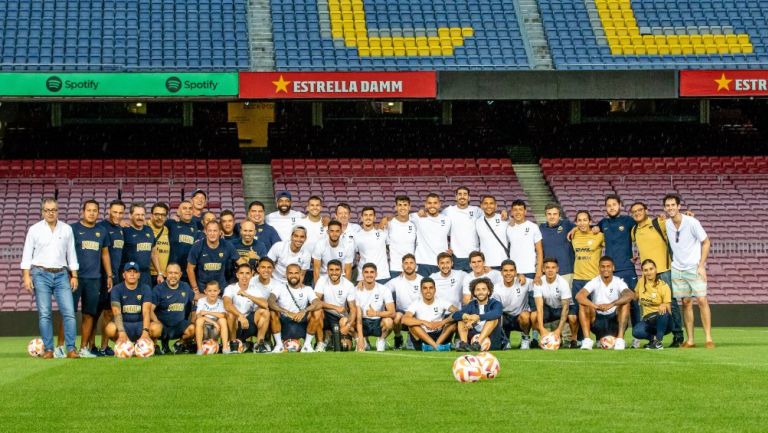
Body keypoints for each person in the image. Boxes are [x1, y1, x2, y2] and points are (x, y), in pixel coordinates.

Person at [21, 198, 80, 359]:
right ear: (42, 212)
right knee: (45, 313)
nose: (50, 213)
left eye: (53, 210)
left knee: (69, 313)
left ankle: (71, 349)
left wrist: (74, 275)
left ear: (58, 211)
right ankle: (48, 349)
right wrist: (26, 276)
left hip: (62, 274)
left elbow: (71, 254)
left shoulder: (66, 229)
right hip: (40, 274)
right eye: (47, 210)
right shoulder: (34, 230)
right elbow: (27, 253)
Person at [629, 201, 685, 347]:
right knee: (644, 302)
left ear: (646, 210)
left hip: (664, 270)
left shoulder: (658, 223)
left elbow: (677, 226)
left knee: (671, 304)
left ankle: (678, 336)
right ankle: (654, 337)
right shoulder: (634, 230)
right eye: (634, 211)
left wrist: (686, 216)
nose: (637, 213)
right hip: (646, 273)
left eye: (639, 210)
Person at [664, 193, 713, 348]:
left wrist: (701, 265)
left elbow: (706, 242)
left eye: (673, 205)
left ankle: (708, 338)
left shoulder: (692, 222)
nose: (670, 208)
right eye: (667, 205)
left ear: (679, 206)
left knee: (702, 300)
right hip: (677, 268)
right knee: (685, 302)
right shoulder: (666, 224)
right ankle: (690, 340)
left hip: (694, 267)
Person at [65, 199, 111, 358]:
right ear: (82, 212)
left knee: (89, 314)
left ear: (98, 213)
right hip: (75, 278)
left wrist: (109, 275)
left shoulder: (102, 231)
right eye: (89, 210)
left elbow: (105, 254)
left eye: (95, 210)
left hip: (94, 279)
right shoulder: (72, 229)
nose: (92, 213)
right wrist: (69, 273)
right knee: (68, 313)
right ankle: (60, 347)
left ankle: (84, 348)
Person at [597, 194, 641, 347]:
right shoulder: (603, 223)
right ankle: (606, 336)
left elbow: (643, 231)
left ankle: (637, 336)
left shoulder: (628, 221)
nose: (611, 208)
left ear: (620, 205)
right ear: (606, 208)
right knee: (609, 304)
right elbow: (592, 230)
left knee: (633, 303)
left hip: (627, 269)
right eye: (608, 205)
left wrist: (640, 253)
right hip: (610, 272)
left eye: (614, 205)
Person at [575, 256, 633, 350]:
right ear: (599, 268)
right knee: (583, 304)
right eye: (603, 266)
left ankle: (620, 340)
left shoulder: (618, 281)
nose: (605, 269)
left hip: (615, 322)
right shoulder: (594, 281)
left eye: (608, 266)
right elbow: (579, 296)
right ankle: (587, 340)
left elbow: (630, 295)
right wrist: (595, 306)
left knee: (626, 303)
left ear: (613, 268)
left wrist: (611, 305)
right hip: (598, 322)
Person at [93, 199, 126, 356]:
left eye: (120, 213)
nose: (117, 216)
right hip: (100, 278)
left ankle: (104, 346)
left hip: (115, 278)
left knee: (108, 313)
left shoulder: (120, 230)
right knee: (95, 313)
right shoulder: (101, 228)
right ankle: (90, 345)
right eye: (115, 212)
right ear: (108, 211)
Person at [268, 263, 323, 352]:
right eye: (290, 273)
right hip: (284, 322)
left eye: (296, 273)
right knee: (272, 311)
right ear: (286, 274)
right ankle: (279, 346)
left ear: (300, 274)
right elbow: (270, 301)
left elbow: (318, 303)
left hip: (301, 321)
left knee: (317, 311)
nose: (293, 275)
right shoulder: (279, 287)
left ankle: (307, 346)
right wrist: (286, 312)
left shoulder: (307, 289)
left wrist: (304, 311)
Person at [105, 262, 162, 346]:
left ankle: (150, 344)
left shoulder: (145, 288)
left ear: (139, 275)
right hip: (125, 324)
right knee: (110, 329)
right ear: (124, 275)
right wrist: (121, 331)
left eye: (135, 272)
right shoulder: (116, 289)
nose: (132, 274)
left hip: (140, 324)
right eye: (129, 271)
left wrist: (145, 331)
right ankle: (123, 344)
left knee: (157, 328)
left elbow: (146, 312)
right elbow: (116, 312)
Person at [531, 258, 579, 349]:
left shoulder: (563, 283)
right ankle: (543, 336)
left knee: (572, 318)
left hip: (562, 308)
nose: (550, 270)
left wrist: (558, 330)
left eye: (553, 267)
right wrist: (541, 329)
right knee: (533, 316)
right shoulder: (539, 282)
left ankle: (573, 339)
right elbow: (540, 308)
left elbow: (565, 309)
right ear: (543, 269)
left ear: (557, 269)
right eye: (547, 267)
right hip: (549, 308)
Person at [223, 263, 271, 352]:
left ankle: (259, 344)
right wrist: (240, 316)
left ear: (251, 274)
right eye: (241, 273)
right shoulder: (230, 288)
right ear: (237, 275)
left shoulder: (254, 288)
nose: (244, 276)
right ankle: (233, 344)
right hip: (235, 324)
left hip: (249, 323)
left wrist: (248, 295)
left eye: (247, 273)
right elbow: (227, 305)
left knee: (265, 312)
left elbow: (265, 304)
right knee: (230, 314)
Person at [151, 263, 195, 354]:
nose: (173, 276)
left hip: (179, 325)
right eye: (170, 273)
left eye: (176, 273)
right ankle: (156, 346)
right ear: (166, 274)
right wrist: (156, 322)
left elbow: (194, 306)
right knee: (155, 328)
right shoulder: (158, 289)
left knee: (194, 328)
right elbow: (149, 310)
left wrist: (193, 321)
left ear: (180, 274)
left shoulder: (186, 287)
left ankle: (179, 344)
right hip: (163, 326)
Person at [187, 220, 241, 296]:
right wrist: (195, 290)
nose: (212, 234)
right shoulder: (197, 246)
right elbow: (190, 269)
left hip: (221, 289)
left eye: (215, 231)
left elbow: (241, 263)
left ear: (220, 232)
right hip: (203, 289)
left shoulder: (227, 245)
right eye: (210, 231)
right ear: (205, 232)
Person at [402, 278, 458, 351]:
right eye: (425, 288)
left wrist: (442, 322)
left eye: (431, 288)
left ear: (435, 289)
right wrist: (425, 322)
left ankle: (436, 345)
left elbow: (458, 312)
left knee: (453, 322)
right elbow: (404, 319)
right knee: (412, 326)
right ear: (421, 290)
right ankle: (436, 347)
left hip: (440, 336)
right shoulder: (415, 303)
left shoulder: (441, 301)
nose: (428, 291)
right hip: (423, 338)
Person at [314, 259, 358, 351]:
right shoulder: (322, 280)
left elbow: (353, 309)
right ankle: (320, 343)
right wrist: (335, 307)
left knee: (345, 347)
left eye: (337, 270)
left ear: (342, 271)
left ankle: (331, 337)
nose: (334, 272)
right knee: (317, 311)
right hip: (326, 315)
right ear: (327, 271)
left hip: (341, 318)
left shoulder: (348, 285)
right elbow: (316, 302)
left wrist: (348, 326)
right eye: (331, 270)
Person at [452, 277, 504, 351]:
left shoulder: (495, 303)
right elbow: (455, 315)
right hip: (473, 338)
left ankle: (478, 344)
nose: (481, 292)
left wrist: (478, 318)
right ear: (474, 292)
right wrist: (467, 317)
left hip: (492, 340)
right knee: (462, 319)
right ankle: (464, 344)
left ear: (488, 291)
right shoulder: (472, 304)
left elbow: (497, 313)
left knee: (493, 319)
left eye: (484, 289)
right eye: (478, 290)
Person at [632, 259, 673, 349]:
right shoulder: (640, 282)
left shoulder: (663, 286)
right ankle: (654, 340)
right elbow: (634, 297)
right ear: (642, 271)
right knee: (636, 332)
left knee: (663, 311)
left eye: (651, 269)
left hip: (663, 320)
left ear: (656, 269)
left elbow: (669, 309)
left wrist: (664, 305)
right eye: (645, 270)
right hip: (648, 320)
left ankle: (658, 341)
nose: (649, 272)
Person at [355, 263, 396, 352]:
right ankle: (361, 340)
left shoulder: (384, 289)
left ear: (376, 274)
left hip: (378, 322)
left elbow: (392, 312)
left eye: (372, 272)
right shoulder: (356, 290)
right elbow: (358, 317)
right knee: (347, 322)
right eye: (366, 272)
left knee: (389, 321)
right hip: (362, 321)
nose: (369, 275)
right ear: (362, 274)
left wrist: (376, 313)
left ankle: (381, 340)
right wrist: (361, 338)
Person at [386, 254, 423, 349]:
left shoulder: (422, 280)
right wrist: (362, 283)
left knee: (417, 315)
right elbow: (381, 290)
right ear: (402, 266)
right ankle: (398, 337)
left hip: (418, 314)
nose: (409, 265)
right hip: (402, 314)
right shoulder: (396, 281)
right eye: (406, 263)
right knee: (397, 316)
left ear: (416, 266)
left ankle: (412, 339)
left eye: (411, 263)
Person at [493, 260, 532, 349]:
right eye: (505, 270)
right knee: (497, 315)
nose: (508, 273)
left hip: (520, 318)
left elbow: (539, 282)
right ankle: (505, 339)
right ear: (501, 272)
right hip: (505, 318)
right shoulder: (496, 288)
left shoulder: (524, 282)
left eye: (511, 270)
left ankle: (525, 339)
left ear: (515, 272)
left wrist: (521, 275)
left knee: (526, 315)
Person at [247, 257, 284, 352]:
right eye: (263, 267)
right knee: (264, 311)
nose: (266, 270)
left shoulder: (278, 284)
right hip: (252, 314)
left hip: (270, 314)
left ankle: (269, 342)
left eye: (269, 267)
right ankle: (251, 343)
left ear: (273, 270)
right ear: (258, 269)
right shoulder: (250, 282)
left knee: (271, 312)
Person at [121, 203, 162, 288]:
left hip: (146, 276)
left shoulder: (148, 230)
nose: (140, 217)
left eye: (142, 215)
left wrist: (159, 273)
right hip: (130, 275)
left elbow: (154, 253)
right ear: (130, 216)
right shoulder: (124, 231)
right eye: (137, 215)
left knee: (147, 300)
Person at [412, 193, 452, 276]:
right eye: (429, 203)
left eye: (435, 203)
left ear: (439, 204)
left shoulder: (447, 219)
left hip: (441, 263)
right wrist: (385, 219)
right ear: (425, 204)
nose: (432, 205)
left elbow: (456, 236)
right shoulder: (418, 217)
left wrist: (451, 249)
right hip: (422, 262)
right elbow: (400, 218)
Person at [506, 200, 543, 285]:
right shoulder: (508, 227)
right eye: (515, 210)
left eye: (520, 209)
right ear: (512, 212)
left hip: (530, 270)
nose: (518, 212)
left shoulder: (533, 227)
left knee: (531, 298)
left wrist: (538, 272)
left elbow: (539, 251)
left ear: (525, 211)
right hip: (513, 272)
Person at [443, 187, 480, 272]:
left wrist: (504, 214)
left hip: (474, 256)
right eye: (459, 194)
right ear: (455, 197)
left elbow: (490, 219)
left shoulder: (476, 210)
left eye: (465, 194)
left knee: (474, 284)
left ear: (469, 197)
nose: (462, 196)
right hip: (456, 257)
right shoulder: (448, 211)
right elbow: (437, 225)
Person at [539, 203, 576, 286]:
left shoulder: (566, 224)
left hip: (567, 272)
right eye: (549, 214)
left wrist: (575, 229)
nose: (552, 216)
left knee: (567, 298)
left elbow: (582, 227)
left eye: (555, 214)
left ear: (559, 215)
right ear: (545, 215)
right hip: (549, 272)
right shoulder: (541, 228)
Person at [571, 210, 605, 302]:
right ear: (576, 222)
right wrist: (574, 229)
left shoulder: (599, 235)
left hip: (593, 278)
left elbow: (614, 246)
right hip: (577, 279)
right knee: (579, 310)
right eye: (579, 220)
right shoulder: (573, 235)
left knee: (594, 310)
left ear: (590, 222)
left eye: (585, 220)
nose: (582, 223)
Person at [195, 281, 233, 354]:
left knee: (223, 320)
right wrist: (213, 322)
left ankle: (225, 348)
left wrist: (207, 312)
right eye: (209, 291)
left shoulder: (221, 302)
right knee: (199, 320)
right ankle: (199, 349)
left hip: (216, 330)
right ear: (205, 292)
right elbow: (199, 315)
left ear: (219, 291)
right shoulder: (201, 301)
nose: (212, 293)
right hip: (205, 329)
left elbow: (222, 315)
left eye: (215, 291)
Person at [165, 200, 199, 282]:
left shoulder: (197, 226)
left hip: (189, 272)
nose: (188, 210)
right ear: (178, 212)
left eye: (190, 208)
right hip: (172, 271)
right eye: (184, 208)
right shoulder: (171, 223)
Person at [354, 207, 390, 283]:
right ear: (362, 218)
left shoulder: (383, 233)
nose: (368, 217)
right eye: (365, 215)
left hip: (382, 276)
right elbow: (355, 254)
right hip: (363, 277)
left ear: (375, 218)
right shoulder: (356, 236)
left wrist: (386, 218)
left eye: (370, 215)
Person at [312, 220, 354, 284]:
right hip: (324, 276)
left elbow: (348, 271)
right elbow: (316, 271)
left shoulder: (348, 246)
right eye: (332, 231)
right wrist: (318, 289)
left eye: (337, 231)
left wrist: (345, 289)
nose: (334, 234)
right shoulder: (320, 244)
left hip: (341, 277)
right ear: (327, 232)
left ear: (341, 232)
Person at [385, 195, 417, 279]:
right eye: (400, 205)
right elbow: (386, 246)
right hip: (395, 269)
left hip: (412, 269)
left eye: (405, 205)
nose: (402, 208)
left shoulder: (415, 224)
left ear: (409, 207)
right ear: (395, 207)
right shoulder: (389, 224)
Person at [475, 195, 509, 270]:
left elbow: (516, 223)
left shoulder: (504, 219)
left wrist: (508, 215)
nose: (488, 206)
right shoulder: (477, 222)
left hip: (504, 264)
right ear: (481, 206)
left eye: (491, 203)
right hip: (486, 265)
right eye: (486, 203)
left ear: (496, 206)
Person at [148, 202, 170, 287]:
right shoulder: (144, 227)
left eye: (163, 215)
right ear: (151, 215)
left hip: (163, 275)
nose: (159, 217)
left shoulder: (167, 229)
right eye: (156, 214)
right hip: (148, 275)